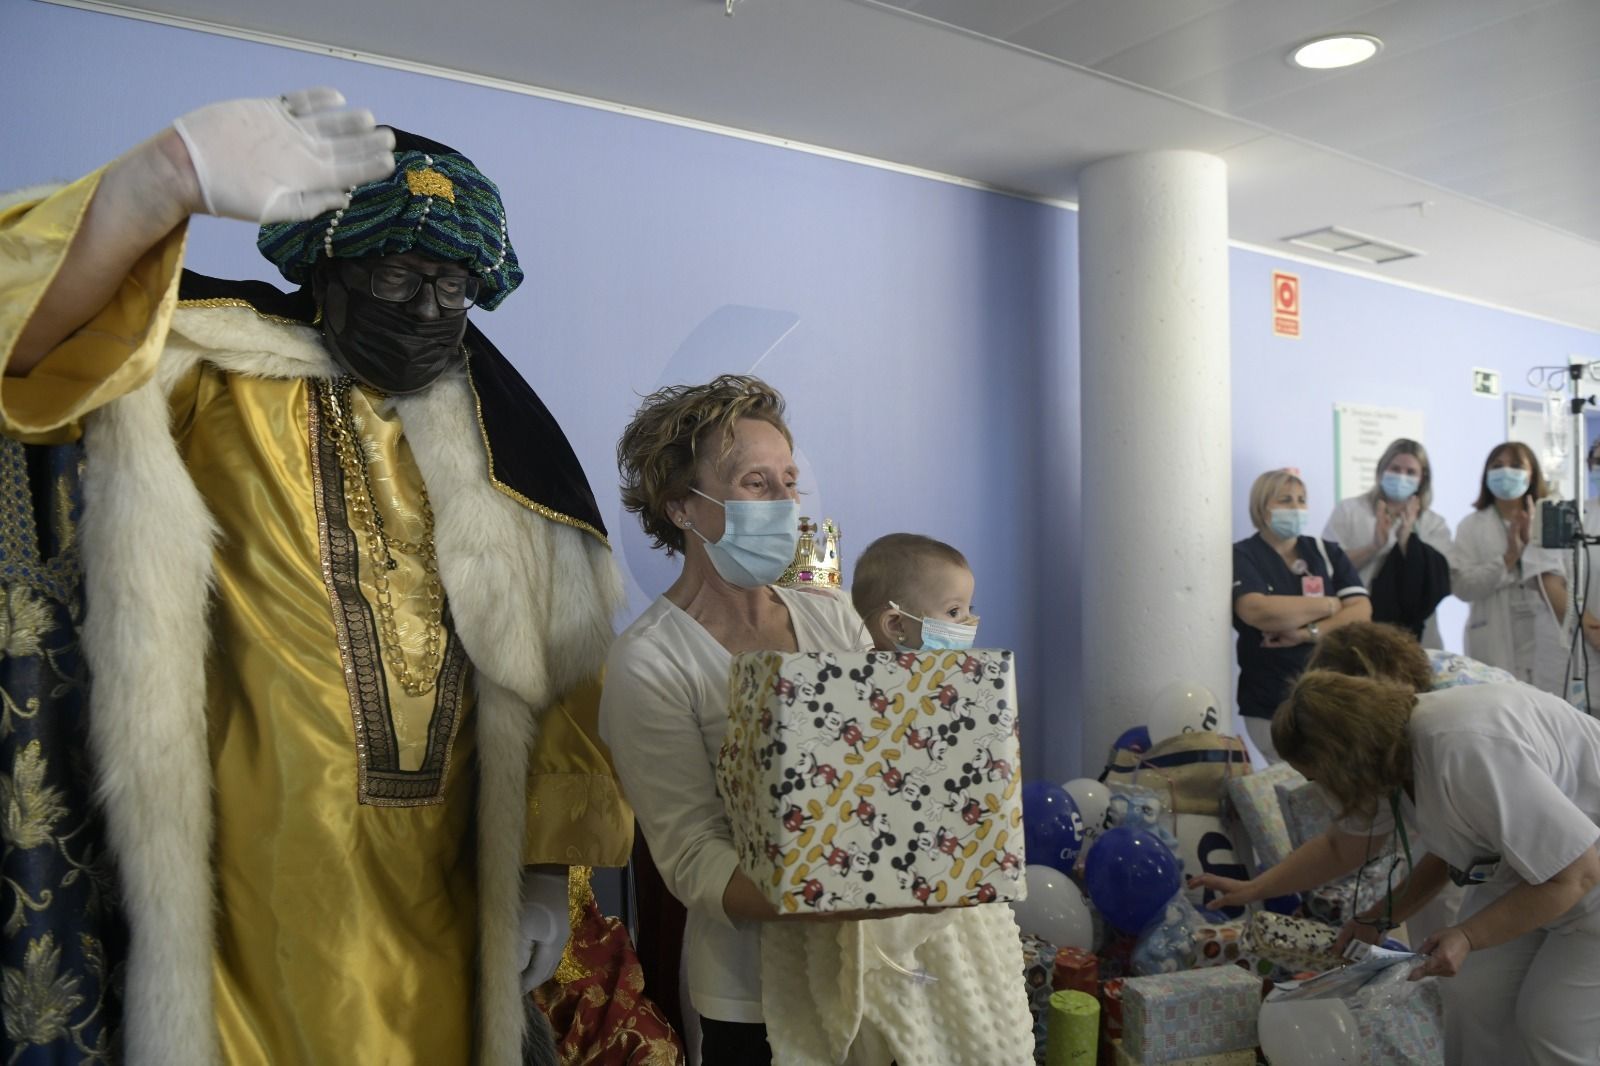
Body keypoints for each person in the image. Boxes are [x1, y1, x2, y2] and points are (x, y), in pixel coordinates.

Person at [1, 91, 634, 1064]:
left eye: (453, 287)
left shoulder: (504, 443)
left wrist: (546, 872)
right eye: (394, 274)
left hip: (452, 891)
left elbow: (561, 657)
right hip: (248, 891)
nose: (428, 311)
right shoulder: (208, 371)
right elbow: (23, 337)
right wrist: (159, 181)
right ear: (327, 269)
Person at [600, 379, 1030, 1065]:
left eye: (789, 482)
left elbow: (893, 765)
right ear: (682, 506)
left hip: (880, 970)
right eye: (755, 482)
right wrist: (830, 897)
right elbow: (692, 857)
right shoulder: (649, 662)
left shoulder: (827, 616)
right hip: (756, 993)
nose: (784, 504)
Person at [1194, 670, 1600, 1066]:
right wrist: (1257, 889)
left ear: (1343, 762)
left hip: (1584, 875)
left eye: (1317, 777)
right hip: (1533, 873)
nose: (1318, 789)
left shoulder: (1463, 747)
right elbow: (1345, 847)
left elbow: (1577, 873)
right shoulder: (1388, 752)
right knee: (1471, 994)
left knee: (1552, 1025)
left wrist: (1467, 936)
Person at [1232, 468, 1371, 762]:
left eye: (1301, 500)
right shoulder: (1243, 555)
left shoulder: (1325, 552)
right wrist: (1330, 605)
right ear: (1261, 507)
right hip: (1270, 702)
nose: (1296, 508)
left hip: (1330, 698)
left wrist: (1307, 632)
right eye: (1285, 500)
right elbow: (1258, 611)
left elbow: (1361, 612)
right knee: (1291, 785)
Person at [1453, 441, 1571, 699]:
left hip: (1545, 634)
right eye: (1498, 466)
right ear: (1486, 475)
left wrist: (1531, 546)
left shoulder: (1552, 519)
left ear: (1532, 474)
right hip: (1493, 636)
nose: (1506, 472)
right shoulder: (1471, 526)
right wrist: (1508, 557)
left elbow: (1570, 577)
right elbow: (1462, 586)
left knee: (1548, 711)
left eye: (1516, 466)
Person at [1323, 439, 1453, 645]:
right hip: (1356, 624)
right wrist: (1374, 547)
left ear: (1422, 479)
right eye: (1395, 469)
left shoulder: (1434, 524)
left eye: (1410, 472)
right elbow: (1328, 566)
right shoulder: (1350, 511)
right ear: (1381, 470)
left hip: (1416, 634)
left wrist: (1406, 541)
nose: (1402, 476)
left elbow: (1438, 580)